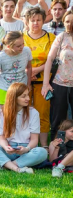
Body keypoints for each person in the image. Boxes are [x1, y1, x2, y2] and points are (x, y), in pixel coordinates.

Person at [0, 83, 48, 174]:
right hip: (9, 150)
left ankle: (6, 166)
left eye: (27, 95)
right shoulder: (0, 114)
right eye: (24, 96)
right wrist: (6, 147)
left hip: (26, 151)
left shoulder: (34, 113)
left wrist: (26, 149)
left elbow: (34, 140)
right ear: (14, 98)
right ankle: (17, 168)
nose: (28, 99)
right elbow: (1, 139)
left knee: (42, 152)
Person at [25, 7, 56, 149]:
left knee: (42, 114)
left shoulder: (51, 38)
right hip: (24, 81)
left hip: (44, 82)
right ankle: (26, 144)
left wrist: (36, 69)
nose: (35, 23)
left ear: (43, 21)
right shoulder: (21, 36)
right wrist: (28, 71)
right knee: (24, 112)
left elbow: (54, 59)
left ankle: (43, 145)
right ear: (27, 21)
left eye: (38, 20)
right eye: (32, 20)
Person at [42, 10, 73, 140]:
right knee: (57, 120)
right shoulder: (61, 37)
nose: (70, 24)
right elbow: (49, 59)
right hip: (59, 83)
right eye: (67, 21)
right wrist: (45, 84)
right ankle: (55, 150)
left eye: (72, 22)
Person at [0, 31, 33, 108]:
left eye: (23, 44)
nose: (22, 47)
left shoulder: (27, 51)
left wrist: (28, 84)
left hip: (21, 88)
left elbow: (29, 67)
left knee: (21, 115)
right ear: (9, 46)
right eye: (18, 46)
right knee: (5, 116)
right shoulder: (0, 57)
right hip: (4, 88)